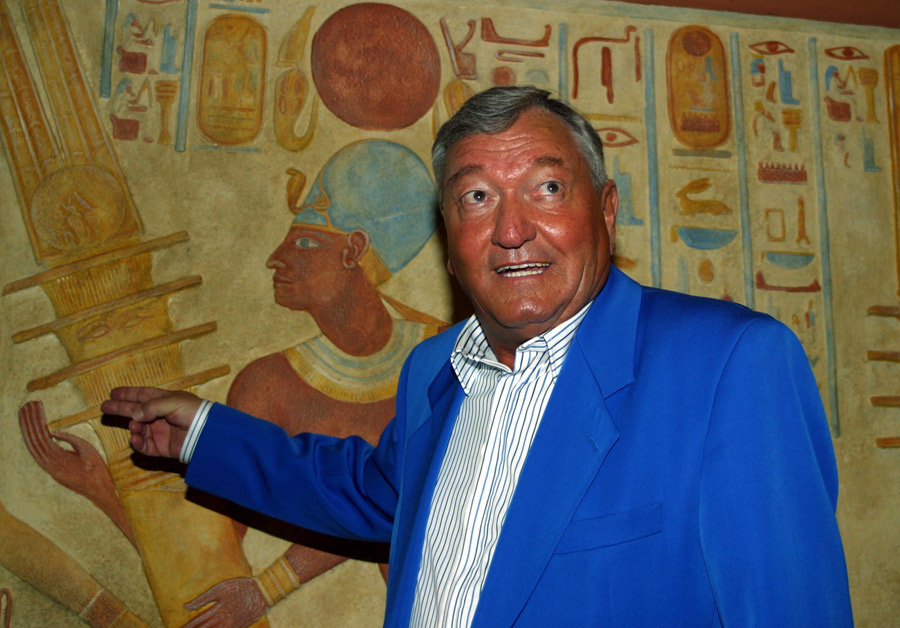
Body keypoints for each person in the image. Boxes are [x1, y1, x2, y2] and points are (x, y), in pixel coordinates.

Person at [102, 86, 853, 627]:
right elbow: (372, 492)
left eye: (547, 187)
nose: (512, 229)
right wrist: (205, 432)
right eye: (477, 198)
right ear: (448, 234)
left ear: (606, 209)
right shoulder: (433, 371)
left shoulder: (730, 365)